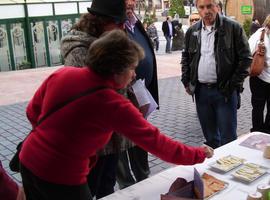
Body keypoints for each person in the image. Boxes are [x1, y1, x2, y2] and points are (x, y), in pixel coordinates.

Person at [19, 29, 214, 200]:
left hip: (28, 160)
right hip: (63, 175)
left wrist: (55, 139)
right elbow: (157, 143)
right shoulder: (114, 105)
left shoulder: (63, 74)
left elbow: (32, 112)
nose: (134, 75)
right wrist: (198, 154)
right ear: (116, 71)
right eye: (132, 68)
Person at [60, 0, 128, 198]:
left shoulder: (108, 42)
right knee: (90, 189)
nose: (123, 28)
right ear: (101, 22)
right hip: (90, 142)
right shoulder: (79, 50)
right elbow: (96, 97)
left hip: (111, 135)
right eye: (118, 23)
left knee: (107, 186)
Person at [181, 0, 252, 149]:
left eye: (209, 6)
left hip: (224, 92)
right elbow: (186, 57)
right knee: (211, 139)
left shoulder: (233, 28)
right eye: (202, 7)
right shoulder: (192, 31)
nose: (206, 11)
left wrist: (232, 85)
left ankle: (230, 169)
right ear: (197, 9)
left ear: (217, 7)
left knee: (228, 139)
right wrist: (186, 80)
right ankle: (215, 169)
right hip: (201, 93)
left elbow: (246, 59)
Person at [116, 0, 160, 189]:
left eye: (132, 0)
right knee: (119, 141)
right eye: (126, 1)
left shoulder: (135, 22)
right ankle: (126, 185)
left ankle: (143, 177)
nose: (130, 3)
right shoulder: (113, 26)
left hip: (141, 94)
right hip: (121, 96)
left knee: (140, 136)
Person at [248, 15, 270, 134]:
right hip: (259, 77)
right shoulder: (259, 35)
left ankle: (267, 133)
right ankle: (257, 132)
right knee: (258, 107)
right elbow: (246, 52)